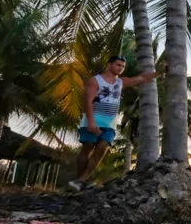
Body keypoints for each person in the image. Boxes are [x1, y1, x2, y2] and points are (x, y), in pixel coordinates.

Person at [68, 55, 162, 191]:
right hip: (92, 119)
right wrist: (91, 122)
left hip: (109, 124)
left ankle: (81, 180)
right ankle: (79, 181)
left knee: (102, 148)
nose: (121, 68)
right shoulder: (95, 81)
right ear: (109, 64)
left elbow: (141, 78)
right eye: (118, 65)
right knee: (87, 148)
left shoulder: (120, 82)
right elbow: (87, 101)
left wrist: (160, 71)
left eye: (123, 67)